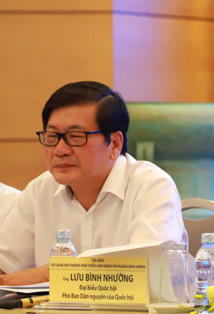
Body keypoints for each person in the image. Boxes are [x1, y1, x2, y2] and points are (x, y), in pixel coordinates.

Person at [0, 81, 187, 285]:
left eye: (76, 137)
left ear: (114, 143)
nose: (60, 150)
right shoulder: (40, 190)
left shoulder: (151, 186)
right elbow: (5, 267)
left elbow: (149, 270)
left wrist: (50, 273)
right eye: (52, 136)